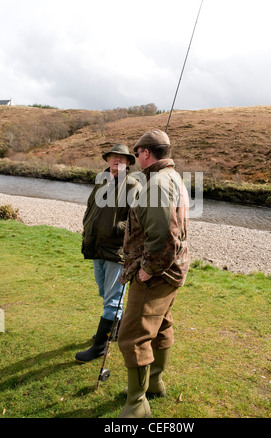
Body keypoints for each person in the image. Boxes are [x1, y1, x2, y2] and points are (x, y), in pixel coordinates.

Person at [117, 129, 190, 418]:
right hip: (173, 271)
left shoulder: (157, 184)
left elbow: (164, 238)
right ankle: (155, 383)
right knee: (161, 326)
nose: (136, 158)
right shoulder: (173, 177)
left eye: (137, 154)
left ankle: (137, 405)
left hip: (157, 274)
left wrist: (148, 269)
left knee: (133, 335)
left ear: (146, 153)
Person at [75, 143, 140, 363]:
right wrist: (88, 227)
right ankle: (115, 329)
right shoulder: (101, 181)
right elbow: (90, 208)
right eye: (114, 157)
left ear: (129, 163)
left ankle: (100, 346)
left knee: (112, 300)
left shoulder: (133, 186)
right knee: (105, 292)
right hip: (97, 247)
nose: (117, 161)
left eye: (122, 159)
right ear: (108, 160)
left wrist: (115, 229)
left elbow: (136, 221)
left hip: (116, 250)